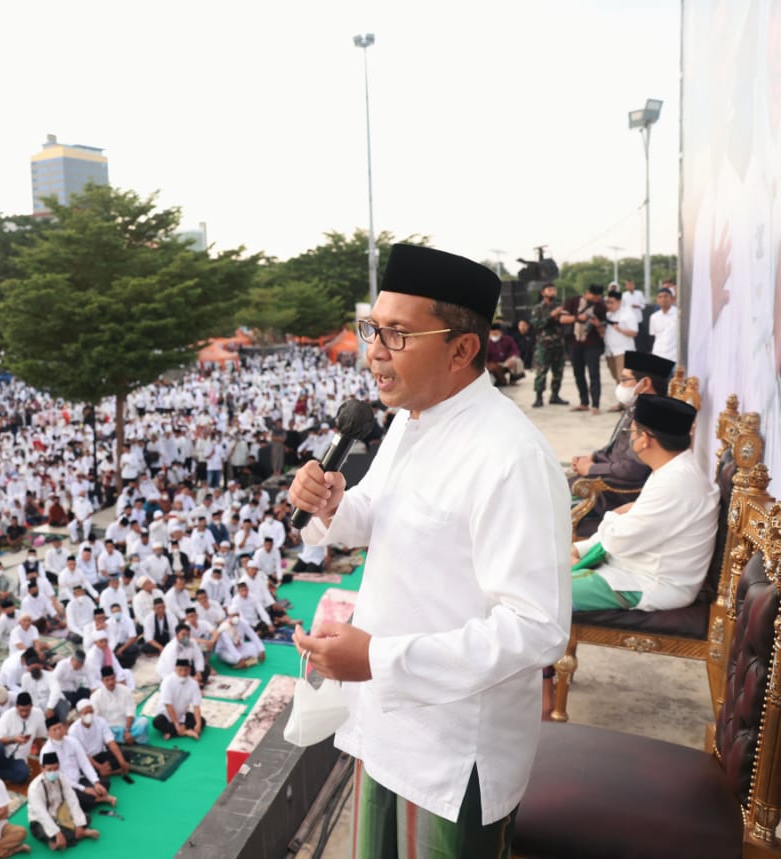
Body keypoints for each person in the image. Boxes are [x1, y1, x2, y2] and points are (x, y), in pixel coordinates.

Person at [289, 243, 569, 857]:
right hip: (385, 721)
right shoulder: (411, 419)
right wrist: (332, 503)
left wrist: (379, 659)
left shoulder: (511, 457)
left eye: (397, 334)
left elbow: (538, 628)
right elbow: (382, 514)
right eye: (372, 329)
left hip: (453, 750)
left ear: (462, 350)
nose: (374, 351)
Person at [568, 395, 717, 612]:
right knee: (544, 571)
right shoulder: (671, 470)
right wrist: (580, 548)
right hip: (629, 567)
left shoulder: (676, 483)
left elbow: (617, 541)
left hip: (649, 583)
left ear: (645, 439)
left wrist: (615, 514)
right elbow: (628, 531)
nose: (630, 439)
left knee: (543, 591)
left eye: (632, 432)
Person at [568, 350, 674, 524]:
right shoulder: (635, 407)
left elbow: (632, 470)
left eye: (624, 380)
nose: (620, 385)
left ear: (646, 383)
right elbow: (614, 446)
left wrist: (591, 469)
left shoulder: (651, 419)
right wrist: (592, 457)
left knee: (551, 501)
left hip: (615, 493)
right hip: (606, 477)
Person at [25, 752, 97, 851]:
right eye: (49, 769)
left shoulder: (61, 778)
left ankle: (59, 839)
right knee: (46, 832)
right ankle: (80, 834)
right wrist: (57, 833)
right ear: (42, 769)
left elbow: (72, 800)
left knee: (86, 818)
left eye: (56, 769)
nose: (53, 772)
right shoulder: (34, 788)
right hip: (40, 821)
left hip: (60, 814)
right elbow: (42, 814)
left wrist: (79, 824)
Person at [565, 284, 608, 414]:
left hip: (593, 344)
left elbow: (603, 330)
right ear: (587, 293)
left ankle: (595, 405)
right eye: (594, 297)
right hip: (575, 342)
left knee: (594, 373)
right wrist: (578, 318)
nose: (596, 299)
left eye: (598, 297)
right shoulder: (573, 301)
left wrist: (597, 324)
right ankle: (584, 402)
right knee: (578, 373)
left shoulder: (601, 306)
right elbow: (562, 319)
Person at [530, 282, 569, 408]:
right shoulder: (538, 308)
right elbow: (536, 325)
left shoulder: (559, 307)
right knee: (542, 371)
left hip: (558, 344)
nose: (553, 292)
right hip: (544, 345)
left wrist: (562, 316)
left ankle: (555, 396)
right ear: (543, 293)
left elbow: (565, 322)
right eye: (550, 290)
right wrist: (551, 316)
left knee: (558, 372)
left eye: (554, 290)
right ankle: (539, 397)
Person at [88, 667, 148, 745]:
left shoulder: (125, 690)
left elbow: (130, 712)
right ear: (102, 681)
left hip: (126, 725)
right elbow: (96, 719)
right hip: (109, 729)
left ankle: (118, 740)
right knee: (98, 732)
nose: (111, 682)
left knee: (143, 721)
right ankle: (128, 738)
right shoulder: (96, 696)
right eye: (107, 680)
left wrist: (127, 730)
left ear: (115, 677)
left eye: (112, 678)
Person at [152, 659, 203, 740]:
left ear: (190, 670)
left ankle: (172, 732)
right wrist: (176, 725)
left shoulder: (193, 683)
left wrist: (198, 724)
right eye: (180, 670)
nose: (183, 673)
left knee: (202, 720)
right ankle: (185, 732)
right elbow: (168, 705)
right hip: (166, 715)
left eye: (186, 670)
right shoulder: (167, 681)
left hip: (182, 714)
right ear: (175, 669)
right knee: (157, 722)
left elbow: (196, 706)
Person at [602, 290, 639, 393]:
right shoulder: (608, 314)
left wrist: (620, 330)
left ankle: (627, 401)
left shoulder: (628, 314)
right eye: (607, 302)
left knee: (624, 378)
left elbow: (634, 332)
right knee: (616, 377)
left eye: (611, 302)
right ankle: (621, 399)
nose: (609, 305)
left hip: (623, 351)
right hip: (610, 351)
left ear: (619, 302)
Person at [484, 321, 525, 386]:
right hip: (492, 363)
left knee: (517, 361)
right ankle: (501, 380)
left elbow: (515, 350)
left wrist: (512, 359)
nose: (494, 335)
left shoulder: (508, 339)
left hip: (506, 363)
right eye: (492, 333)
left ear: (500, 332)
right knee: (493, 367)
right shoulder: (486, 342)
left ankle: (513, 379)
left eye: (496, 333)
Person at [648, 285, 679, 363]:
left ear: (672, 299)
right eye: (660, 297)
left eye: (666, 296)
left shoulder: (679, 315)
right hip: (658, 355)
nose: (663, 299)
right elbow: (654, 336)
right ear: (657, 300)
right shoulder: (654, 317)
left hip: (674, 357)